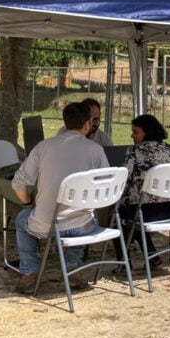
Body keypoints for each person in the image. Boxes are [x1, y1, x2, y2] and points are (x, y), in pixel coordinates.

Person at [12, 102, 110, 294]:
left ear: (65, 122)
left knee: (21, 219)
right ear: (88, 124)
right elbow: (106, 189)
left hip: (46, 225)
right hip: (82, 226)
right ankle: (73, 266)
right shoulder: (95, 150)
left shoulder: (43, 147)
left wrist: (27, 203)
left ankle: (30, 271)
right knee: (90, 215)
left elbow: (18, 183)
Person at [118, 114, 170, 269]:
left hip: (143, 212)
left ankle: (123, 262)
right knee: (134, 215)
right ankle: (152, 256)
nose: (132, 135)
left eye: (135, 132)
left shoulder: (134, 152)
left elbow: (123, 181)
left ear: (147, 132)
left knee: (119, 215)